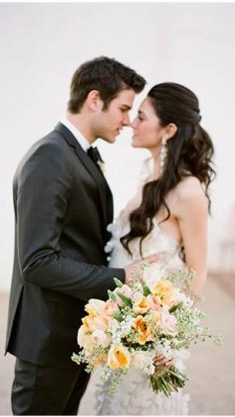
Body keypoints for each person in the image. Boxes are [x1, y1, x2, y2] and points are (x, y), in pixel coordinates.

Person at [5, 56, 150, 415]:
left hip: (76, 333)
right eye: (123, 108)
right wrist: (121, 279)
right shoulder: (50, 157)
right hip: (47, 338)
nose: (128, 121)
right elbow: (37, 263)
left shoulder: (77, 155)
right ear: (94, 100)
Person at [96, 82, 215, 415]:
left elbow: (197, 272)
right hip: (122, 332)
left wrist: (166, 341)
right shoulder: (147, 178)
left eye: (142, 117)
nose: (132, 123)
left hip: (152, 342)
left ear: (169, 130)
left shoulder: (189, 192)